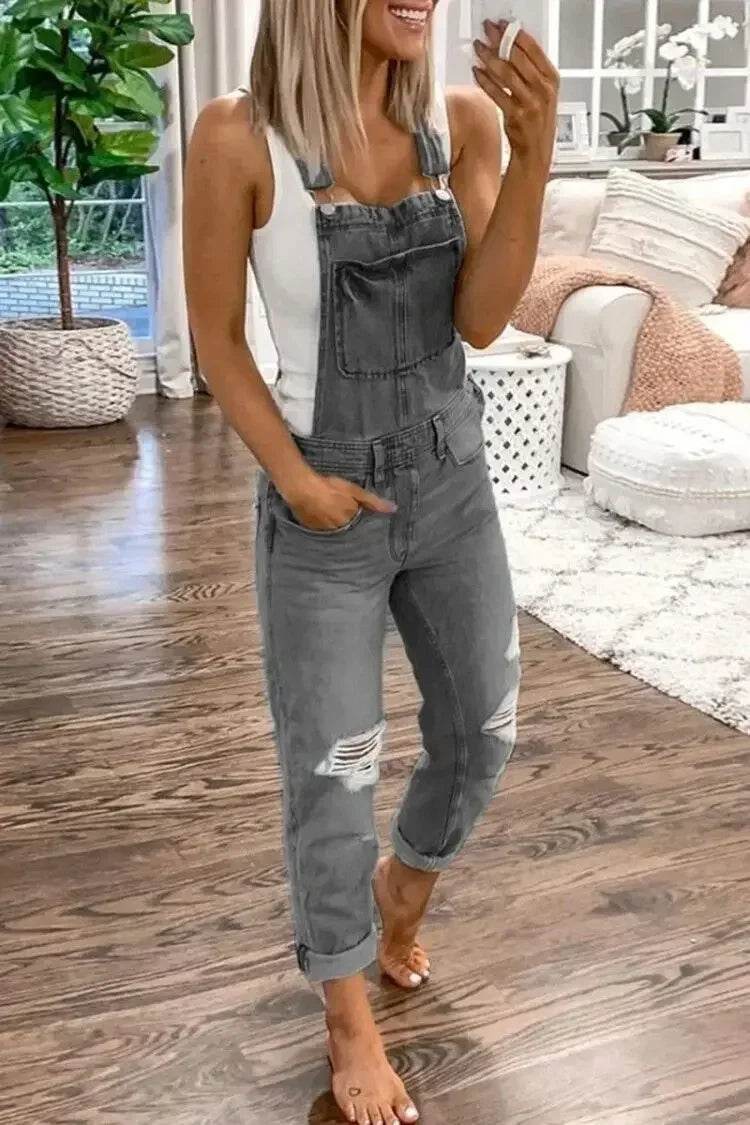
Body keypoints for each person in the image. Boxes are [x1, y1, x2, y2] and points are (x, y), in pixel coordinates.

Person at [183, 2, 557, 1122]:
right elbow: (215, 338)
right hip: (325, 508)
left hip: (452, 481)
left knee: (484, 731)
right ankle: (346, 1014)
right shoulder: (238, 138)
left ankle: (405, 888)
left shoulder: (460, 125)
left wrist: (533, 158)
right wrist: (295, 481)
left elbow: (480, 321)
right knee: (334, 770)